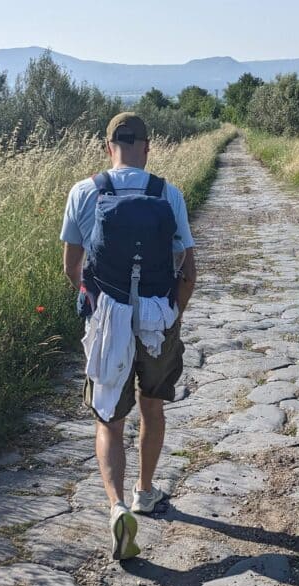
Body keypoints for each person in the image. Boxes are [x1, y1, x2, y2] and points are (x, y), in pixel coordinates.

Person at [60, 112, 197, 559]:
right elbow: (188, 269)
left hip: (108, 321)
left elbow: (72, 266)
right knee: (152, 407)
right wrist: (171, 313)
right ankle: (145, 490)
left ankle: (118, 507)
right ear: (147, 146)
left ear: (108, 146)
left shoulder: (85, 191)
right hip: (158, 318)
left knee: (109, 420)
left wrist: (100, 308)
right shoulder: (167, 193)